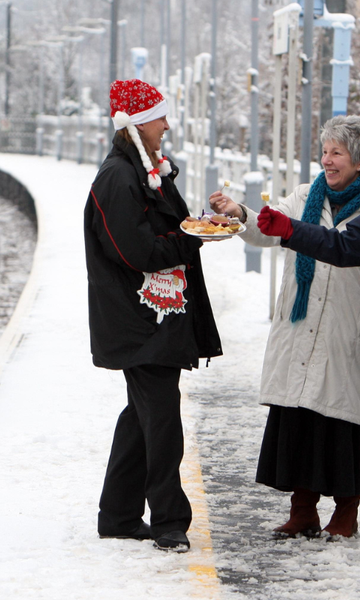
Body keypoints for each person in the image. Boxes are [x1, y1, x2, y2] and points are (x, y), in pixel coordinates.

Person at [210, 115, 360, 540]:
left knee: (339, 423)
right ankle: (302, 510)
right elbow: (269, 225)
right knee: (298, 416)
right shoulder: (306, 195)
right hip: (300, 322)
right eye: (324, 151)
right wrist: (240, 213)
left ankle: (346, 511)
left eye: (336, 153)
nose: (327, 160)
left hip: (345, 327)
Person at [85, 79, 223, 553]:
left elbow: (161, 231)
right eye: (160, 116)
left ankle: (119, 515)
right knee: (161, 417)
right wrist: (192, 238)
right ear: (138, 124)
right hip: (139, 322)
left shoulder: (142, 172)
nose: (167, 124)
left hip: (153, 317)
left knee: (141, 416)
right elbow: (136, 250)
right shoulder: (117, 178)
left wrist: (198, 222)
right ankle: (169, 521)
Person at [258, 139, 360, 556]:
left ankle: (352, 511)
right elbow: (340, 245)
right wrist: (288, 229)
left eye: (337, 151)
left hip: (356, 335)